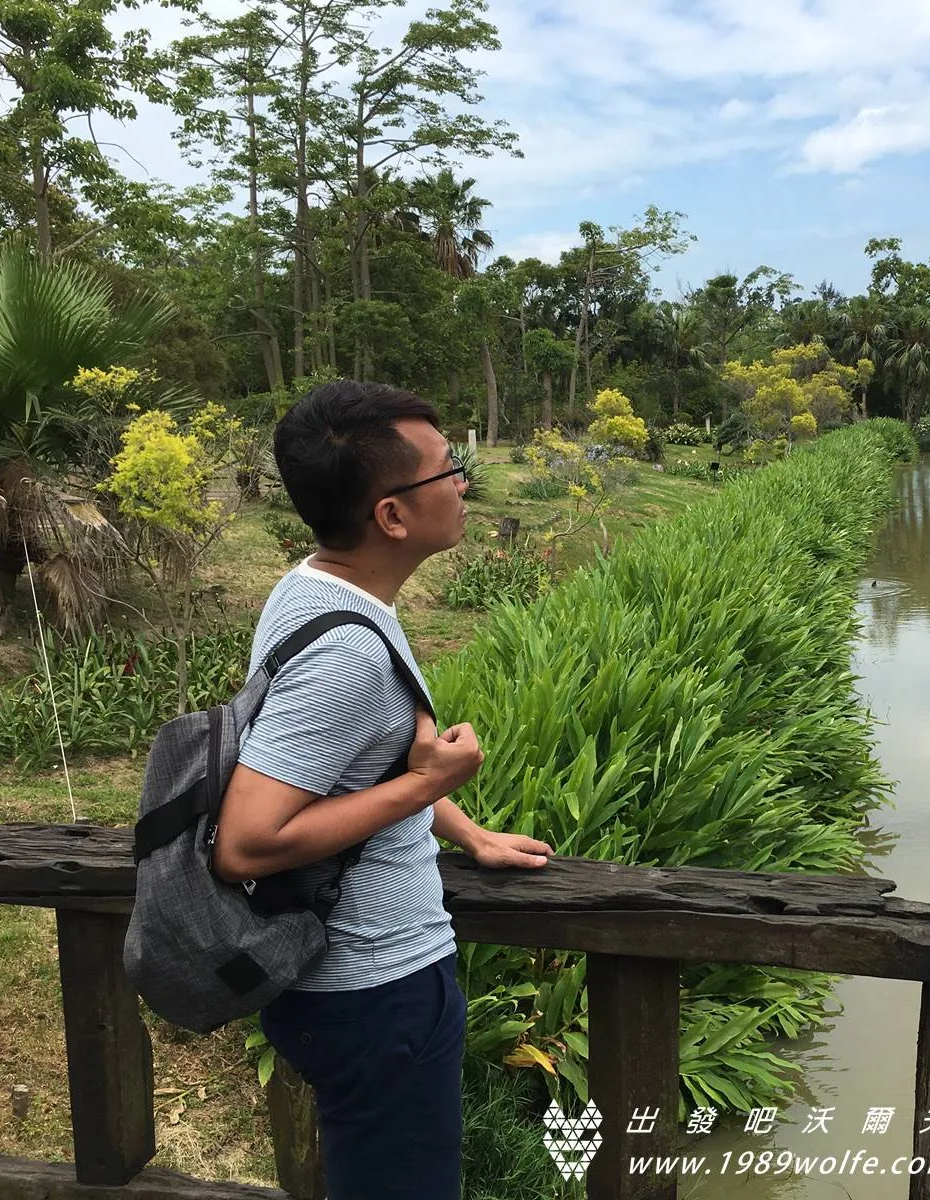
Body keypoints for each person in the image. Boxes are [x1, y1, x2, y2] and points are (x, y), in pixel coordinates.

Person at [212, 380, 553, 1199]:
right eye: (449, 470)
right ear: (393, 517)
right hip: (376, 990)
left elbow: (358, 762)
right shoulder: (349, 654)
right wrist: (425, 787)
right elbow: (245, 841)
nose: (466, 483)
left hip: (351, 983)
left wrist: (465, 832)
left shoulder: (319, 589)